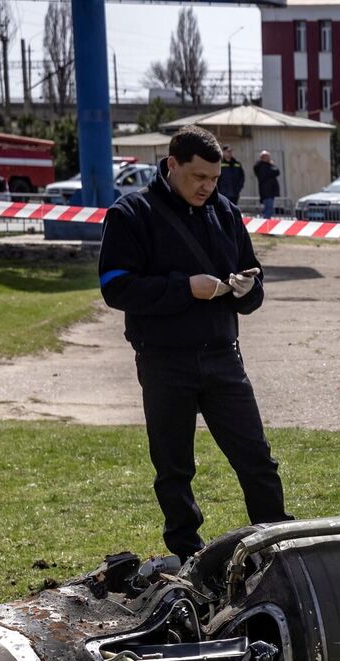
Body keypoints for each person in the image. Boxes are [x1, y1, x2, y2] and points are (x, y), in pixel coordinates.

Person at [98, 125, 292, 563]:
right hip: (164, 360)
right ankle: (188, 555)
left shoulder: (225, 212)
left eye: (214, 178)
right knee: (174, 469)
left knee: (257, 460)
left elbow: (253, 278)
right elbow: (116, 288)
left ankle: (275, 543)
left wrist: (247, 289)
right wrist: (184, 288)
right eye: (198, 177)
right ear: (172, 166)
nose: (207, 187)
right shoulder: (131, 213)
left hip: (223, 356)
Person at [253, 150, 280, 218]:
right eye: (267, 157)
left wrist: (271, 165)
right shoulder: (261, 166)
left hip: (270, 191)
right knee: (268, 209)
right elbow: (274, 171)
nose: (269, 158)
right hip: (266, 191)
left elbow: (277, 171)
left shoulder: (268, 165)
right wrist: (271, 165)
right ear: (263, 157)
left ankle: (266, 223)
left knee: (269, 209)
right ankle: (266, 224)